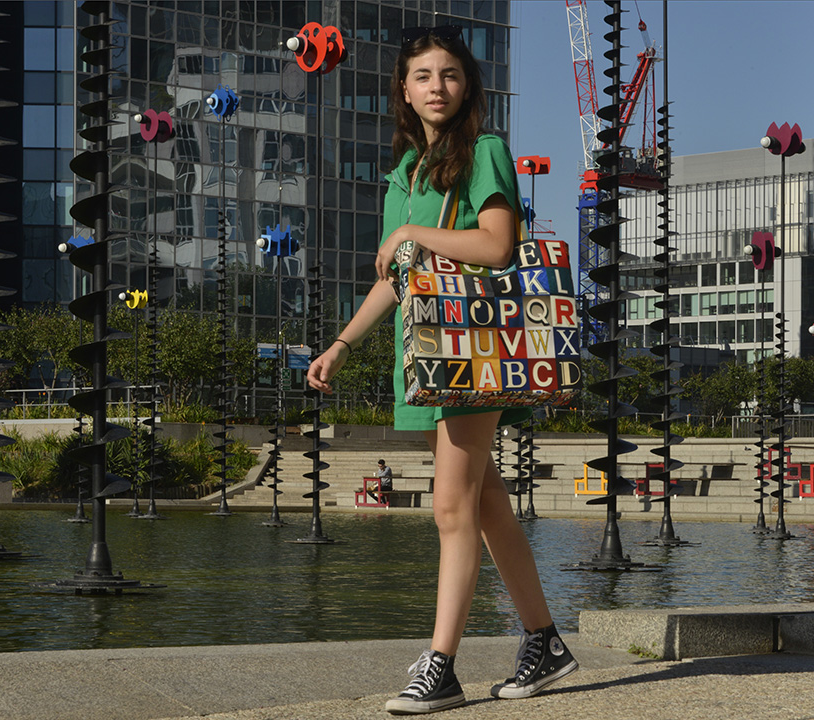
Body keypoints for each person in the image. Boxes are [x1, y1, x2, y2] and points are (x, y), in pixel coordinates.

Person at [306, 24, 577, 715]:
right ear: (403, 88)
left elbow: (497, 245)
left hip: (473, 349)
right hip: (425, 353)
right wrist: (341, 344)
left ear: (468, 85)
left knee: (452, 507)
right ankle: (544, 641)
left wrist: (412, 234)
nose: (437, 87)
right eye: (424, 75)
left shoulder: (483, 152)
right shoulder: (404, 174)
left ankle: (442, 664)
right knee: (486, 507)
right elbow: (396, 280)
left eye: (450, 74)